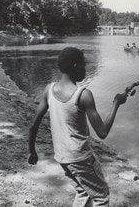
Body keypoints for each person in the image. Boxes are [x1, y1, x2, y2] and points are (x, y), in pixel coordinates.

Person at [28, 47, 127, 207]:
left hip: (62, 157)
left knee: (83, 192)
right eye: (83, 65)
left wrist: (32, 151)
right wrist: (116, 104)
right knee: (101, 197)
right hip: (81, 158)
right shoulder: (83, 94)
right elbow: (102, 132)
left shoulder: (49, 89)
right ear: (75, 66)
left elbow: (34, 125)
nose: (85, 69)